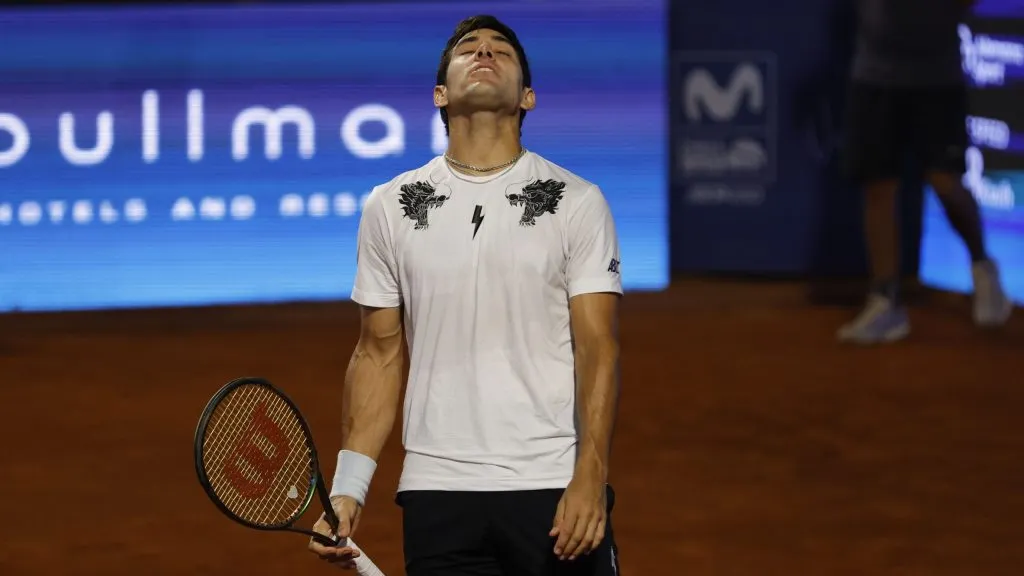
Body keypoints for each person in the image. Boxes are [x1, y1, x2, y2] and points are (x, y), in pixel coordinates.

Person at [307, 15, 624, 576]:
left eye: (501, 49)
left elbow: (596, 347)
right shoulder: (390, 205)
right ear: (440, 93)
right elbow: (377, 354)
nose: (484, 53)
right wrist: (349, 489)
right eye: (468, 49)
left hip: (549, 485)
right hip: (437, 493)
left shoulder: (578, 202)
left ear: (528, 95)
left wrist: (590, 475)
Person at [837, 0, 1013, 344]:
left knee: (944, 182)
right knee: (878, 187)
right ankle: (885, 300)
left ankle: (983, 268)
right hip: (874, 76)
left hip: (936, 80)